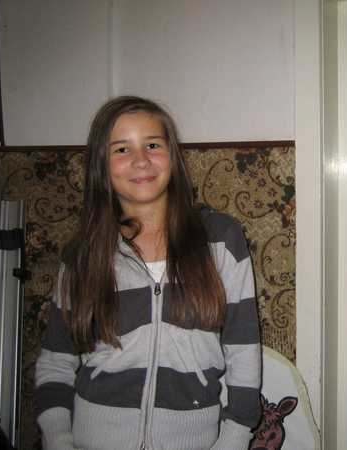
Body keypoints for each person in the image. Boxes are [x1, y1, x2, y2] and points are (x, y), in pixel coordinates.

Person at [35, 96, 261, 450]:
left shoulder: (221, 239)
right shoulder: (82, 255)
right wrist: (58, 438)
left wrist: (234, 438)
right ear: (101, 165)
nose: (141, 160)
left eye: (153, 145)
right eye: (122, 149)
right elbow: (55, 362)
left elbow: (243, 350)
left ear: (172, 155)